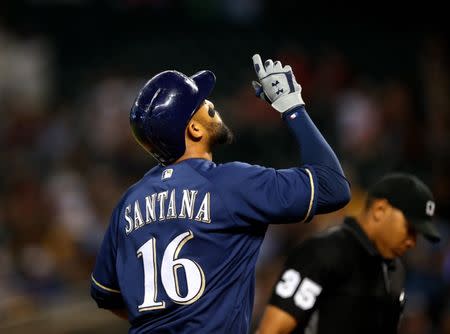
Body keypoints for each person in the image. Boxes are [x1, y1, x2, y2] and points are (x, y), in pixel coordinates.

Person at [89, 53, 351, 333]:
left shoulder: (129, 202)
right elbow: (332, 186)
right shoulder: (230, 182)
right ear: (194, 128)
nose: (210, 103)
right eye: (200, 102)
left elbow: (106, 294)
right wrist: (293, 108)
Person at [257, 172, 441, 334]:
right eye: (409, 229)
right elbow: (271, 330)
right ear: (380, 210)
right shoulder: (325, 251)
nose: (413, 241)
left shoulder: (395, 270)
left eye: (417, 233)